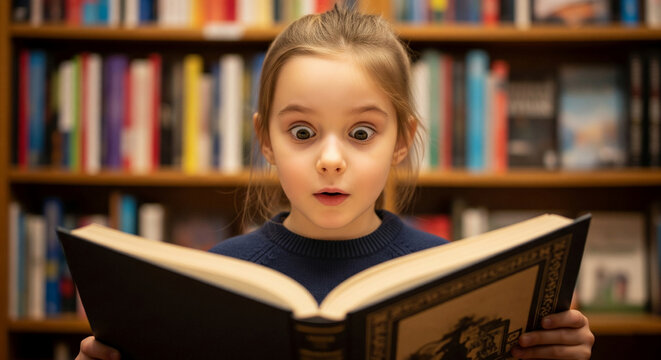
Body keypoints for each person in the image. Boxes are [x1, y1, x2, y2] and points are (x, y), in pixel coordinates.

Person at [76, 6, 594, 360]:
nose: (330, 159)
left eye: (361, 132)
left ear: (401, 139)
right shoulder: (212, 283)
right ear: (265, 138)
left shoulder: (460, 279)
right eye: (302, 132)